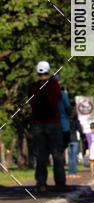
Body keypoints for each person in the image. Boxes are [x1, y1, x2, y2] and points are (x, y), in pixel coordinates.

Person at [29, 61, 67, 193]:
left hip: (38, 124)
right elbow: (58, 98)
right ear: (48, 71)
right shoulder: (53, 85)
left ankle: (41, 183)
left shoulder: (32, 87)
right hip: (53, 123)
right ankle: (60, 184)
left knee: (41, 155)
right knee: (57, 155)